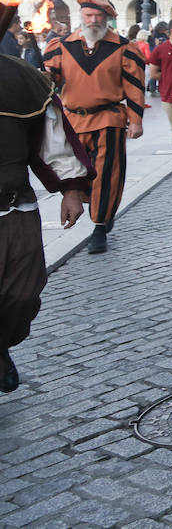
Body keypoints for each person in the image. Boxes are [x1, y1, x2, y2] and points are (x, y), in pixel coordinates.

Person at [0, 48, 93, 393]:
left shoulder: (19, 76)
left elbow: (53, 140)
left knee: (22, 296)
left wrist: (70, 189)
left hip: (13, 209)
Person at [41, 0, 146, 253]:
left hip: (108, 118)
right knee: (78, 173)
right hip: (73, 120)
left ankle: (99, 226)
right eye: (89, 15)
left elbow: (134, 86)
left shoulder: (124, 47)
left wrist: (135, 120)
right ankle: (100, 209)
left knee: (107, 173)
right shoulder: (61, 46)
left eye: (99, 16)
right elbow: (49, 79)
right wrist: (42, 78)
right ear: (82, 17)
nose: (94, 20)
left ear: (107, 18)